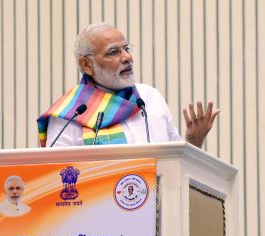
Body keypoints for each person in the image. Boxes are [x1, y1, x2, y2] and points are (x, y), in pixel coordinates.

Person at [37, 23, 220, 148]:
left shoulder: (149, 98)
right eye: (113, 52)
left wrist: (193, 142)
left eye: (126, 49)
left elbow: (177, 167)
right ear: (86, 64)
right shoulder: (70, 114)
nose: (127, 57)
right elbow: (57, 176)